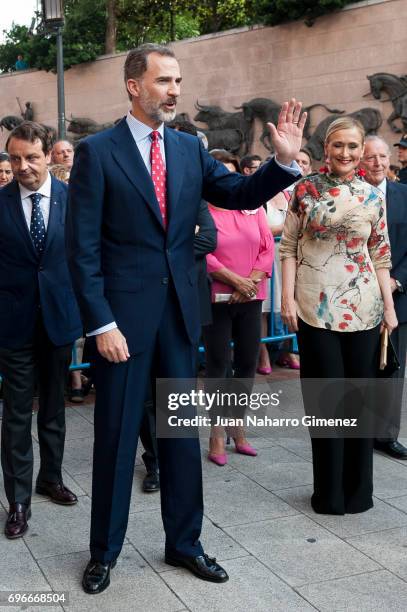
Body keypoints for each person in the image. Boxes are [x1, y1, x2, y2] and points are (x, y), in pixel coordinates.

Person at [66, 43, 305, 594]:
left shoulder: (188, 147)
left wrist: (284, 163)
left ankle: (185, 544)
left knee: (178, 439)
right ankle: (104, 551)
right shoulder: (98, 153)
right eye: (164, 80)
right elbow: (82, 251)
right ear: (134, 86)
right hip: (121, 327)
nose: (175, 90)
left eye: (178, 80)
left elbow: (241, 194)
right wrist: (100, 324)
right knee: (117, 438)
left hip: (178, 318)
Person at [280, 117, 397, 515]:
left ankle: (358, 492)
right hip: (315, 308)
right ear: (325, 148)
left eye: (352, 146)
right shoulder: (304, 189)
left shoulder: (372, 196)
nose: (345, 154)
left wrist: (390, 308)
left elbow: (380, 254)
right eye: (337, 146)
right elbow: (289, 247)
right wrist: (287, 300)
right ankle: (328, 494)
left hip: (365, 308)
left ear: (361, 149)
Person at [0, 121, 82, 539]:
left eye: (31, 157)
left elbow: (86, 259)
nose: (22, 166)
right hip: (13, 326)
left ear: (49, 154)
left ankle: (50, 477)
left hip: (60, 320)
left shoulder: (74, 201)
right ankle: (17, 500)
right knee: (16, 414)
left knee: (53, 407)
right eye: (15, 158)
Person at [204, 149, 274, 464]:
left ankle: (238, 426)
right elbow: (202, 253)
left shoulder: (251, 206)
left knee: (247, 364)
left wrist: (250, 282)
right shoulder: (200, 209)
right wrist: (235, 280)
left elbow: (267, 247)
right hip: (217, 298)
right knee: (219, 366)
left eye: (232, 174)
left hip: (250, 296)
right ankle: (216, 434)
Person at [360, 135, 407, 459]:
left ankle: (386, 434)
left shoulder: (405, 194)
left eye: (382, 156)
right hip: (359, 295)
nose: (377, 163)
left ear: (390, 158)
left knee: (393, 369)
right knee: (361, 366)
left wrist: (395, 281)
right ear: (361, 162)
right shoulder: (352, 196)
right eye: (370, 157)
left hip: (399, 296)